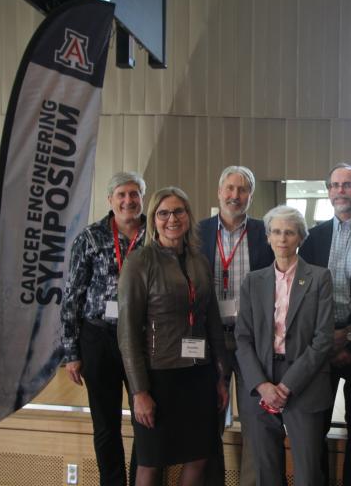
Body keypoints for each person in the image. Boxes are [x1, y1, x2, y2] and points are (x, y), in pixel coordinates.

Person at [117, 187, 228, 486]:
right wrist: (139, 392)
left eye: (178, 211)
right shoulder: (139, 262)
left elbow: (212, 323)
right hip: (158, 378)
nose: (172, 219)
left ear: (189, 217)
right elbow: (127, 332)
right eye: (163, 213)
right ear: (153, 219)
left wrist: (220, 376)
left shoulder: (199, 261)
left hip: (199, 374)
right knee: (151, 462)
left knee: (198, 457)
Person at [235, 205, 334, 486]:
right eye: (276, 232)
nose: (282, 238)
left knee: (308, 474)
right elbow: (243, 338)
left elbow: (323, 338)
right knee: (266, 473)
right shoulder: (253, 281)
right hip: (262, 382)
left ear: (301, 238)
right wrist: (263, 386)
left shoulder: (319, 278)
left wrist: (287, 386)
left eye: (289, 232)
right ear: (267, 237)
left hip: (304, 383)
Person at [298, 163, 351, 486]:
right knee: (314, 427)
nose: (340, 191)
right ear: (328, 191)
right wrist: (326, 340)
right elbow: (301, 295)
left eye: (348, 185)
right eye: (335, 185)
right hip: (319, 349)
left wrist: (349, 337)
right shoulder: (312, 237)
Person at [60, 171, 147, 486]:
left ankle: (143, 480)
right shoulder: (90, 237)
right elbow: (72, 295)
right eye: (121, 194)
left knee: (147, 419)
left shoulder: (157, 234)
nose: (128, 200)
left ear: (142, 198)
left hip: (143, 338)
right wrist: (71, 352)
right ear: (110, 200)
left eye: (134, 194)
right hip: (99, 337)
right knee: (106, 424)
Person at [197, 165, 274, 486]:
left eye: (242, 190)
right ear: (219, 192)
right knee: (207, 422)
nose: (235, 195)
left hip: (251, 340)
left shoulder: (265, 232)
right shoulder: (197, 232)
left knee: (256, 422)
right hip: (207, 340)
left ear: (251, 196)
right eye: (230, 188)